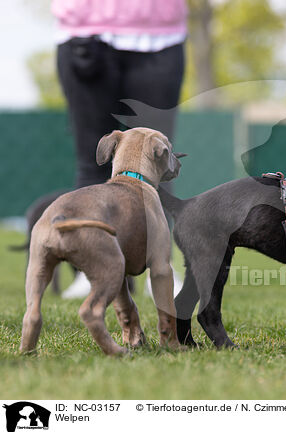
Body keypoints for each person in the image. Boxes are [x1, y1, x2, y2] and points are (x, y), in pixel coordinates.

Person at [52, 0, 187, 297]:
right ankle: (92, 268)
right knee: (92, 162)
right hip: (85, 29)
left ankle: (160, 267)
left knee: (157, 162)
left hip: (161, 33)